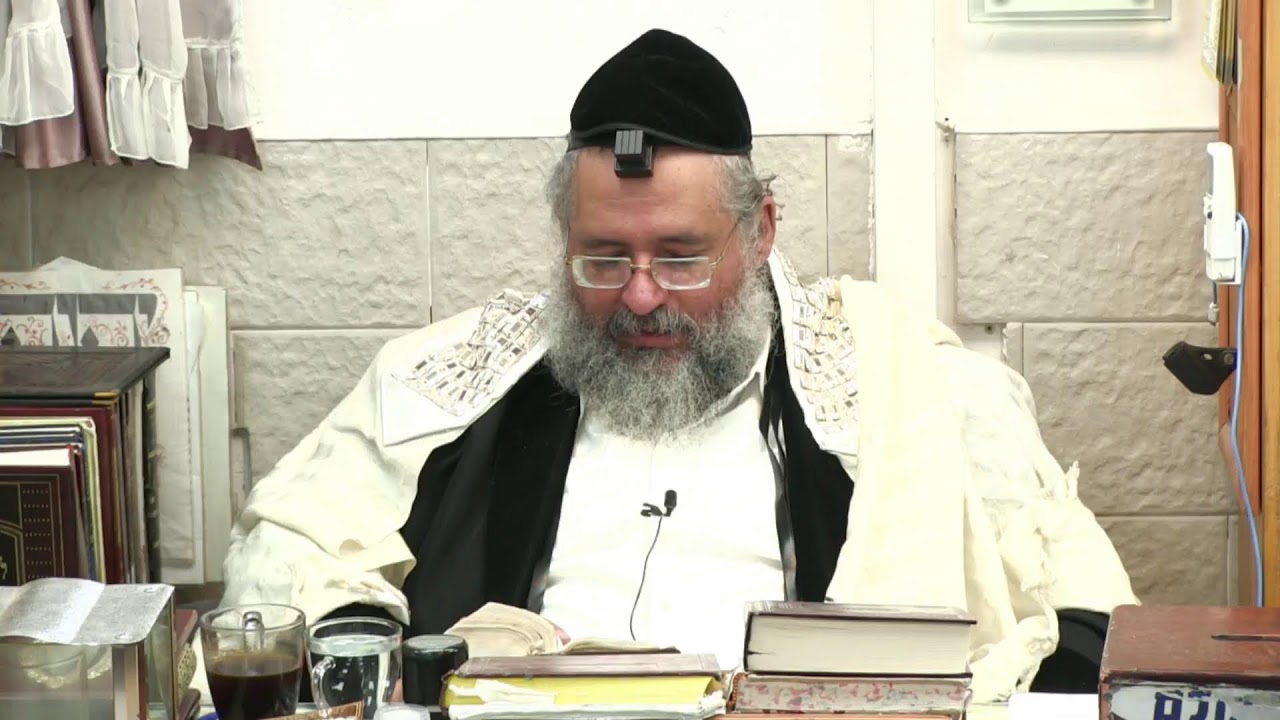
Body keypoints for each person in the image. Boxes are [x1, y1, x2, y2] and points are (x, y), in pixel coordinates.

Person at [213, 28, 1137, 702]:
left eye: (683, 258)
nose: (643, 295)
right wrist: (366, 652)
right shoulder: (457, 370)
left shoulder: (905, 382)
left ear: (760, 231)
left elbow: (1082, 606)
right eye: (604, 259)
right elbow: (291, 547)